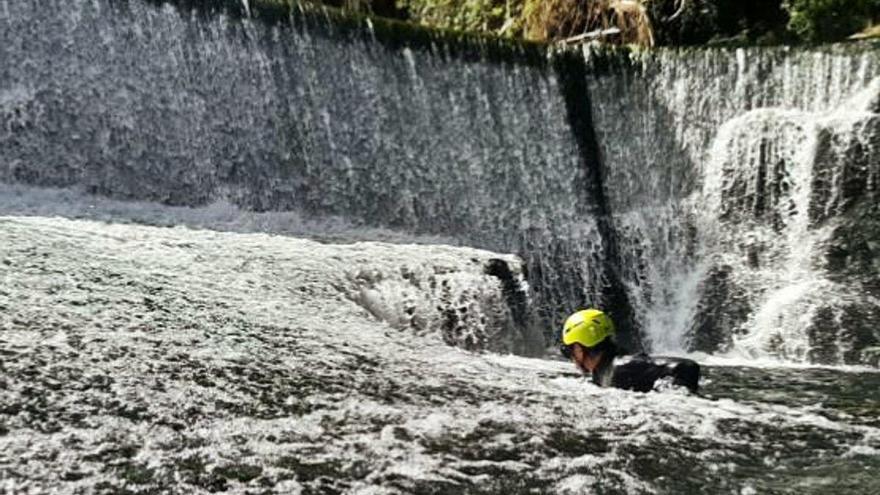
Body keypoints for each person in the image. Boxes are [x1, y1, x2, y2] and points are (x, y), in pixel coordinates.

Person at [559, 308, 700, 393]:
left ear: (578, 349)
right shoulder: (601, 372)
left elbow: (687, 366)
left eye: (568, 351)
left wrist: (671, 399)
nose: (571, 358)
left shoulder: (621, 367)